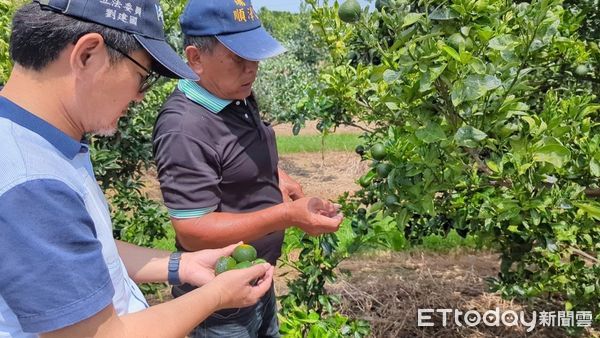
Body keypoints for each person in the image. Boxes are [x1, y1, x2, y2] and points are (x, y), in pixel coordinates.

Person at [0, 1, 274, 337]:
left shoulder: (39, 142)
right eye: (142, 78)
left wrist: (183, 265)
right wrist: (217, 295)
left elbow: (85, 251)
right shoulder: (32, 182)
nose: (139, 97)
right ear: (87, 55)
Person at [152, 0, 344, 337]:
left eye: (254, 56)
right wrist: (287, 216)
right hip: (219, 301)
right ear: (196, 58)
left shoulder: (235, 94)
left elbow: (239, 155)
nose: (251, 69)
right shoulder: (185, 128)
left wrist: (278, 179)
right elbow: (192, 230)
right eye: (239, 59)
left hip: (256, 278)